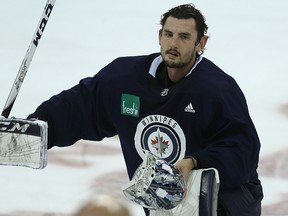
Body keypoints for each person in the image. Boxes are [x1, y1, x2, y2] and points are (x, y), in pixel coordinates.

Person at [28, 4, 263, 216]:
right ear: (159, 36)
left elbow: (243, 151)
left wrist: (193, 161)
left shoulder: (217, 89)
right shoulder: (125, 78)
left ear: (201, 43)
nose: (173, 44)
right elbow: (77, 107)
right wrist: (34, 130)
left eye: (183, 37)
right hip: (167, 206)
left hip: (228, 203)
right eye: (168, 34)